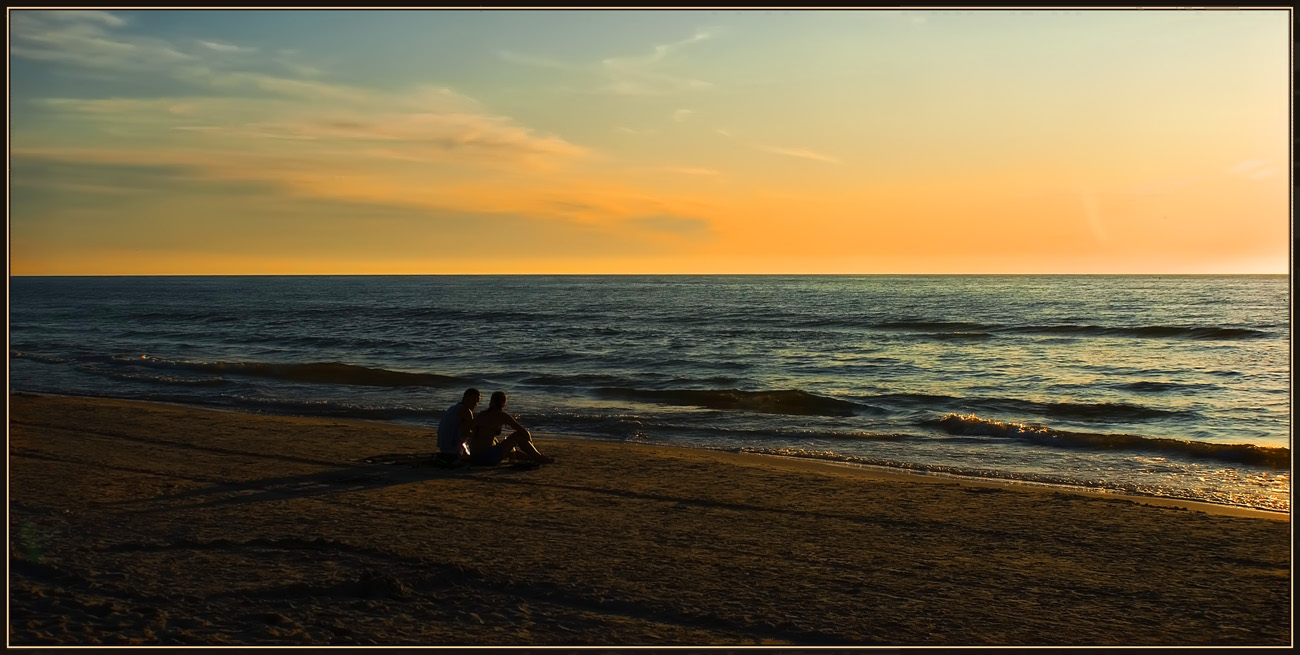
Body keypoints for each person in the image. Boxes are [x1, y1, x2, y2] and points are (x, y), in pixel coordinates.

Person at [467, 391, 554, 466]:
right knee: (518, 435)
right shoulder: (501, 415)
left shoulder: (481, 414)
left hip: (474, 457)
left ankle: (533, 458)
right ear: (503, 403)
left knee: (507, 448)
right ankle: (540, 457)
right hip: (487, 457)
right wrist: (529, 442)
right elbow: (524, 432)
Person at [433, 388, 479, 467]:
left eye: (477, 402)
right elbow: (467, 432)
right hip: (453, 451)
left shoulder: (452, 408)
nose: (475, 404)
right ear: (466, 398)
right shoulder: (466, 411)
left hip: (443, 448)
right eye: (474, 401)